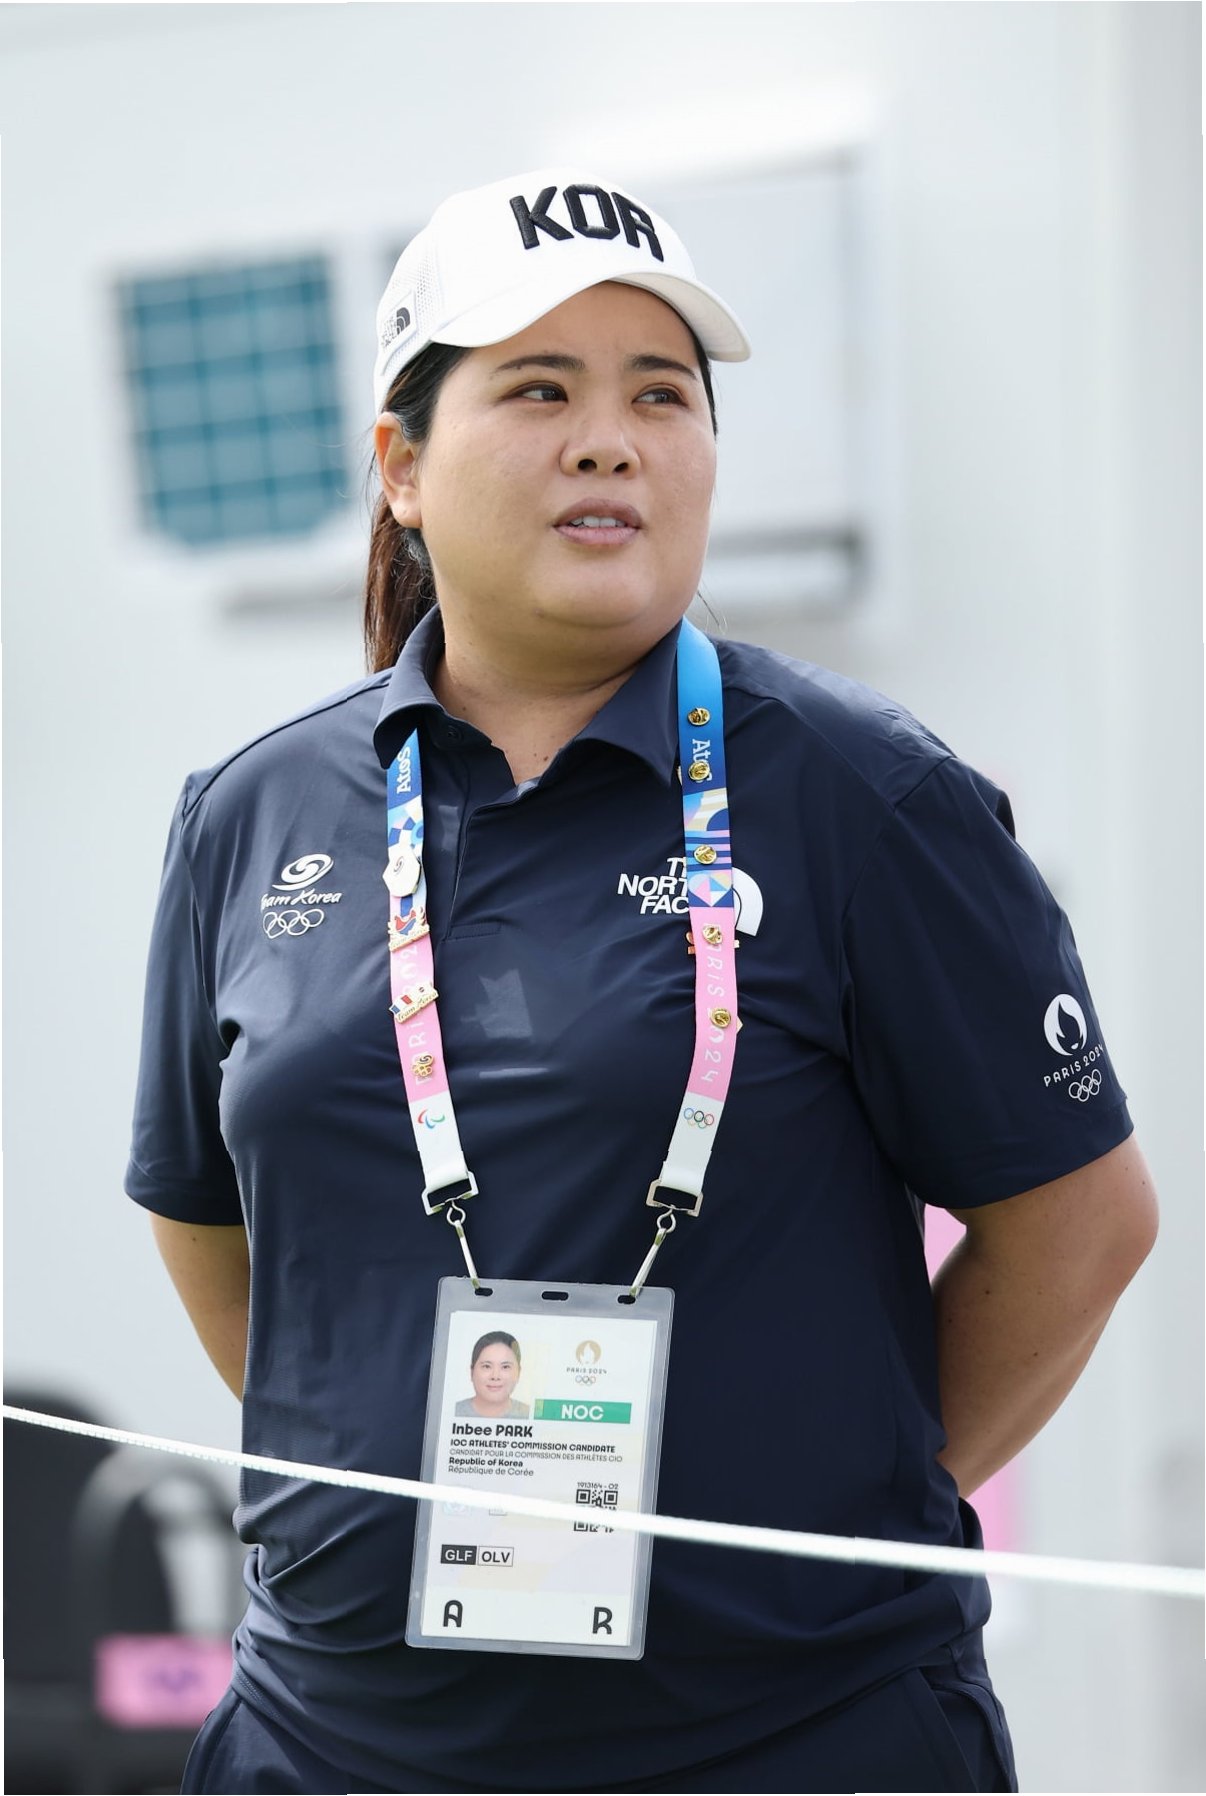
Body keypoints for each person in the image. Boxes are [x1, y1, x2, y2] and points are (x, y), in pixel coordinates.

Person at [127, 168, 1157, 1795]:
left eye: (660, 394)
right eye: (540, 390)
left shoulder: (862, 794)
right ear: (399, 466)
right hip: (333, 1746)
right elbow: (207, 1219)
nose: (609, 440)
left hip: (791, 1743)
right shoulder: (254, 815)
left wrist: (836, 1520)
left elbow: (1079, 1224)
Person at [454, 1332, 529, 1418]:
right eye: (486, 1366)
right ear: (472, 1372)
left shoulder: (529, 1415)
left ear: (518, 1373)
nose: (495, 1376)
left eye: (505, 1367)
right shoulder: (451, 1412)